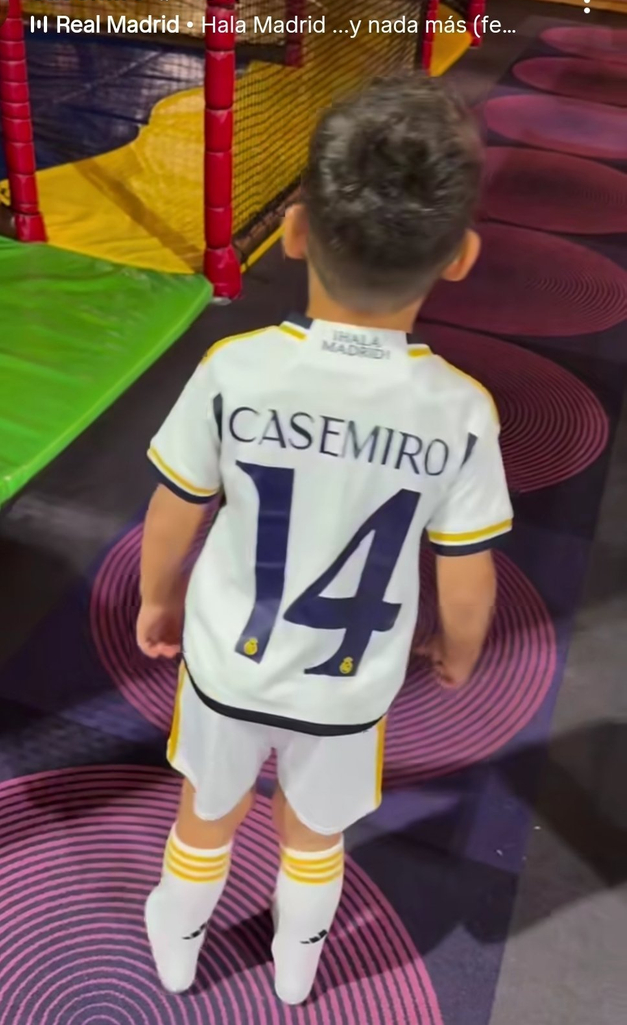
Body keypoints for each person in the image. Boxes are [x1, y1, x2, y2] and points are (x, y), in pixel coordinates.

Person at [137, 74, 513, 1004]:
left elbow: (175, 509)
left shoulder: (236, 368)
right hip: (349, 685)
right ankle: (297, 962)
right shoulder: (461, 410)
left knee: (207, 812)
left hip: (230, 664)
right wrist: (459, 648)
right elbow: (467, 574)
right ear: (460, 257)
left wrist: (157, 596)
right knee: (316, 834)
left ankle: (178, 938)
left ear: (295, 231)